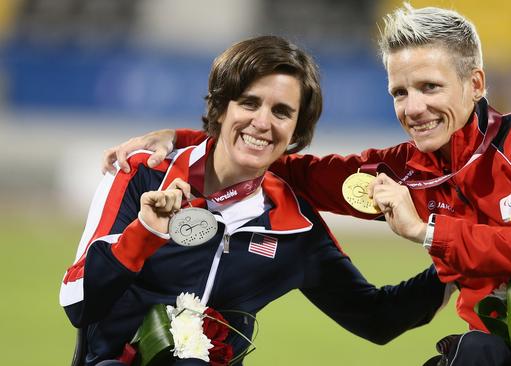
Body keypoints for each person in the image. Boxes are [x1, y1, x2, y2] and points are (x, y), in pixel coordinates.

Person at [103, 4, 511, 366]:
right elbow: (286, 167)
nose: (414, 108)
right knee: (468, 358)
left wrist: (428, 231)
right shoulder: (401, 170)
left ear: (475, 83)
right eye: (399, 92)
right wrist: (185, 139)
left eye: (430, 87)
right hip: (505, 349)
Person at [60, 35, 450, 366]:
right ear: (221, 106)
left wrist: (461, 256)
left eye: (281, 112)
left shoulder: (293, 226)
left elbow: (376, 318)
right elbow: (79, 304)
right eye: (249, 103)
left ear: (296, 129)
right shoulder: (143, 175)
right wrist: (144, 233)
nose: (263, 123)